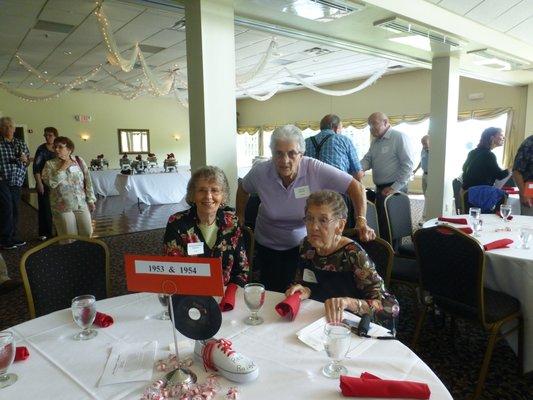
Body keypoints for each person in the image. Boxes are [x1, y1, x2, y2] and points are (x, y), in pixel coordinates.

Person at [236, 124, 375, 293]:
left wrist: (361, 220)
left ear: (301, 154)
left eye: (291, 153)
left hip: (303, 248)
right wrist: (240, 214)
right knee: (268, 293)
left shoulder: (314, 169)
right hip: (266, 245)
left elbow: (356, 187)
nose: (284, 160)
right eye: (278, 153)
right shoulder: (261, 172)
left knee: (297, 294)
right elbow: (243, 188)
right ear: (272, 154)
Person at [285, 190, 398, 326]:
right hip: (317, 321)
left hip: (351, 326)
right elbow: (302, 281)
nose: (314, 227)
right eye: (309, 218)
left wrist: (349, 302)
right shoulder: (307, 245)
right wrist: (305, 290)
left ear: (340, 226)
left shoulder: (353, 254)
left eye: (323, 220)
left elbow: (390, 308)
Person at [163, 166, 248, 286]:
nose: (208, 196)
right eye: (202, 190)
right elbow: (172, 270)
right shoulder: (177, 223)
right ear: (192, 195)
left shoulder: (232, 223)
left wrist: (230, 293)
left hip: (225, 296)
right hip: (189, 293)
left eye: (214, 190)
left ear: (223, 196)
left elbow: (241, 270)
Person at [360, 112, 414, 240]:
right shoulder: (375, 142)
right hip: (380, 188)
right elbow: (368, 159)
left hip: (394, 188)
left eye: (374, 124)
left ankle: (394, 254)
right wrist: (358, 169)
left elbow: (408, 165)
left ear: (385, 122)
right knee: (382, 223)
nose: (371, 128)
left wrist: (395, 187)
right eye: (369, 125)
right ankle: (386, 251)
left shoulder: (399, 137)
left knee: (393, 226)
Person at [42, 136, 95, 238]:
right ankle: (69, 254)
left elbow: (88, 181)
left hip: (81, 203)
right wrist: (63, 167)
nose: (56, 149)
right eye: (55, 147)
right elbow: (51, 183)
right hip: (62, 206)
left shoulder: (79, 160)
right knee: (69, 237)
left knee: (87, 233)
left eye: (60, 147)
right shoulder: (50, 164)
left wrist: (91, 200)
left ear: (69, 149)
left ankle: (85, 253)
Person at [0, 116, 30, 250]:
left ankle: (13, 236)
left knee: (16, 209)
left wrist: (25, 159)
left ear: (14, 128)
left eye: (10, 126)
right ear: (1, 129)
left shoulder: (20, 143)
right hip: (2, 180)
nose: (8, 129)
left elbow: (27, 161)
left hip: (16, 180)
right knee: (7, 207)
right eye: (5, 126)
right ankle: (5, 239)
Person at [305, 114, 364, 180]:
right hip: (338, 187)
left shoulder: (306, 142)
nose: (341, 132)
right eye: (341, 128)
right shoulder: (344, 140)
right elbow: (358, 174)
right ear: (336, 128)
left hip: (312, 188)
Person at [33, 127, 59, 240]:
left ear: (55, 136)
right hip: (44, 183)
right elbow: (36, 168)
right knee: (45, 209)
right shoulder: (41, 149)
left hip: (58, 183)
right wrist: (39, 183)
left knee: (59, 208)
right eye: (46, 135)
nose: (47, 137)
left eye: (50, 135)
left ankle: (60, 231)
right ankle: (45, 233)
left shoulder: (59, 148)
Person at [512, 135, 533, 216]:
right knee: (529, 225)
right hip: (530, 188)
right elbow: (517, 171)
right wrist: (524, 194)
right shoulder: (530, 142)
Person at [413, 134, 429, 223]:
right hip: (424, 174)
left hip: (431, 175)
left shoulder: (434, 150)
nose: (423, 145)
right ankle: (426, 215)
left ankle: (425, 218)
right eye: (422, 143)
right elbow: (422, 160)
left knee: (428, 195)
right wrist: (416, 170)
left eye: (425, 143)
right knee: (425, 195)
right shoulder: (423, 150)